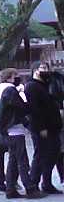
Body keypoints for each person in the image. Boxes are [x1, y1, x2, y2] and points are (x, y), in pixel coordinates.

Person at [0, 68, 46, 199]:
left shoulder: (0, 90)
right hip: (15, 127)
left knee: (13, 159)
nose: (17, 78)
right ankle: (29, 188)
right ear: (9, 77)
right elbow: (21, 107)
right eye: (15, 76)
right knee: (21, 159)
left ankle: (10, 188)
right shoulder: (10, 90)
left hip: (7, 128)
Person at [25, 61, 63, 194]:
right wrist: (41, 127)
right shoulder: (31, 86)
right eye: (42, 68)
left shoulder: (47, 85)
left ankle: (47, 183)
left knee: (53, 154)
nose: (46, 70)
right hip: (42, 127)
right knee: (40, 155)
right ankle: (33, 184)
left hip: (53, 126)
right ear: (35, 70)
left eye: (47, 67)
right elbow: (34, 109)